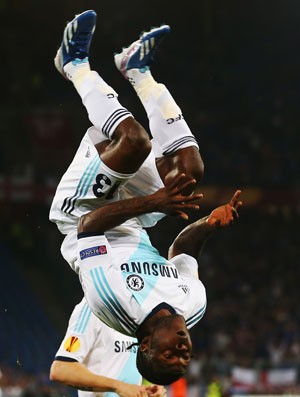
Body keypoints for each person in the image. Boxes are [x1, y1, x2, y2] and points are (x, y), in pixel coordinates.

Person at [75, 181, 242, 385]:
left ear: (145, 345)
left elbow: (88, 227)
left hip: (83, 207)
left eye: (169, 356)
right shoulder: (194, 305)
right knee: (188, 173)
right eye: (186, 358)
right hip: (135, 216)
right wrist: (209, 224)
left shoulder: (112, 300)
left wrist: (154, 203)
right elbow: (183, 251)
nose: (182, 351)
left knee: (138, 147)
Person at [50, 297, 167, 397]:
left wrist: (146, 389)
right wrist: (119, 387)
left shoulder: (136, 314)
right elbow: (61, 369)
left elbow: (122, 370)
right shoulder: (91, 308)